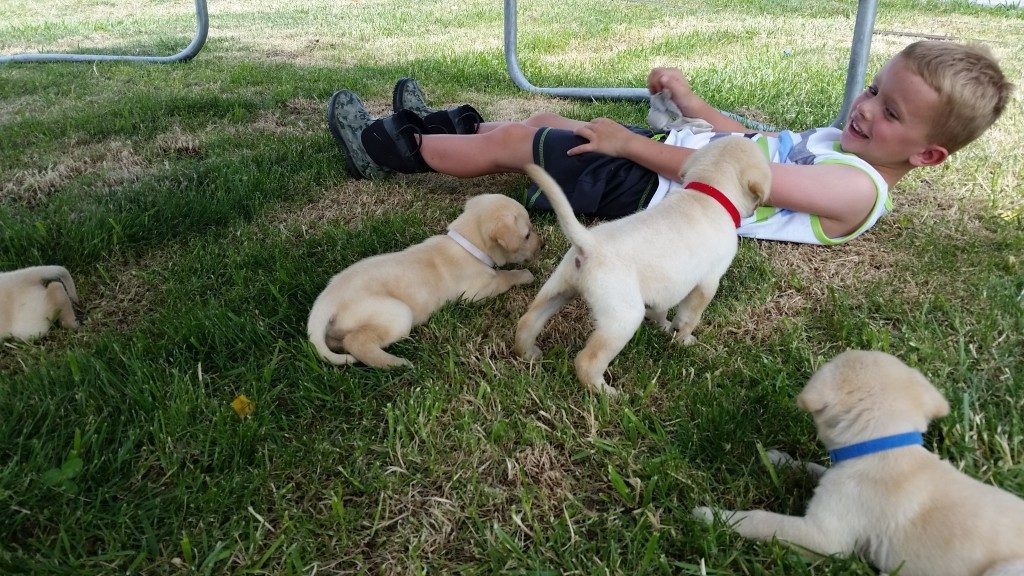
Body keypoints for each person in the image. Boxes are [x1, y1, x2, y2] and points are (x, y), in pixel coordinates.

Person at [326, 40, 1013, 245]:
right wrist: (691, 103)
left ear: (927, 155)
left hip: (655, 189)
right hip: (661, 158)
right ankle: (445, 128)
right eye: (872, 90)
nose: (865, 110)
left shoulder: (855, 189)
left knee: (525, 144)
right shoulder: (846, 146)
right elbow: (748, 139)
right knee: (537, 123)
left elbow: (731, 174)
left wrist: (630, 147)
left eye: (890, 112)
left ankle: (392, 151)